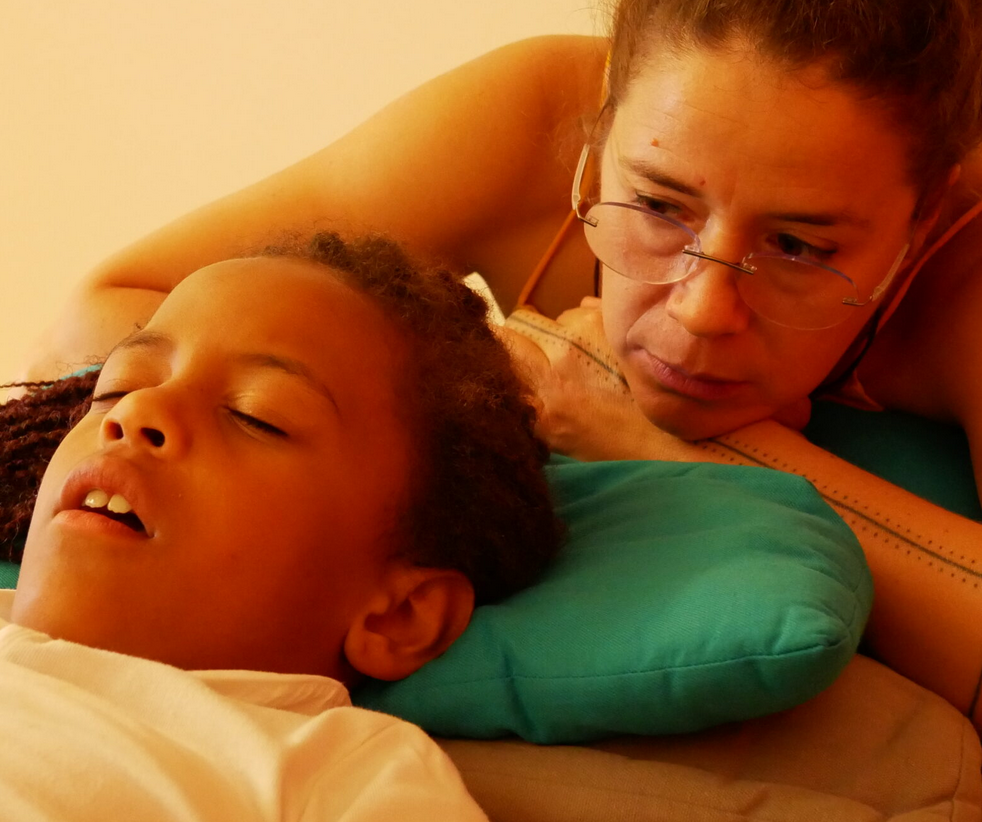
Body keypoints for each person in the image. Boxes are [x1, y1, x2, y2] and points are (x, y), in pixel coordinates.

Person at [12, 0, 982, 715]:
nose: (700, 313)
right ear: (596, 135)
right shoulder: (525, 120)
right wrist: (476, 388)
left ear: (926, 214)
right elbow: (109, 311)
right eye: (656, 205)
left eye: (799, 247)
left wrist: (671, 442)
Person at [0, 232, 562, 821]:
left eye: (256, 415)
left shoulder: (335, 776)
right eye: (119, 386)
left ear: (399, 615)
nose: (136, 410)